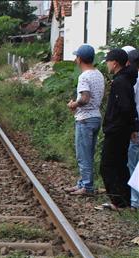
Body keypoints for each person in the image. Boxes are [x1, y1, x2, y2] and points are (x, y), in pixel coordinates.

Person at [97, 49, 138, 210]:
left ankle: (117, 201)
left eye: (108, 61)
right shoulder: (125, 80)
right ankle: (124, 200)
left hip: (117, 130)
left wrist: (118, 124)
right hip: (121, 129)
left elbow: (126, 107)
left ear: (115, 63)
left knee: (107, 165)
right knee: (120, 165)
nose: (107, 64)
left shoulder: (120, 82)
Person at [65, 44, 105, 196]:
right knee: (89, 152)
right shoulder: (98, 74)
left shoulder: (84, 76)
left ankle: (87, 186)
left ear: (80, 59)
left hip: (85, 119)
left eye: (76, 57)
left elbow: (85, 98)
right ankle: (82, 183)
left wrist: (74, 104)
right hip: (96, 117)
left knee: (83, 155)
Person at [127, 49, 139, 210]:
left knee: (134, 163)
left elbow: (132, 105)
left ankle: (135, 201)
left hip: (137, 126)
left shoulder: (135, 81)